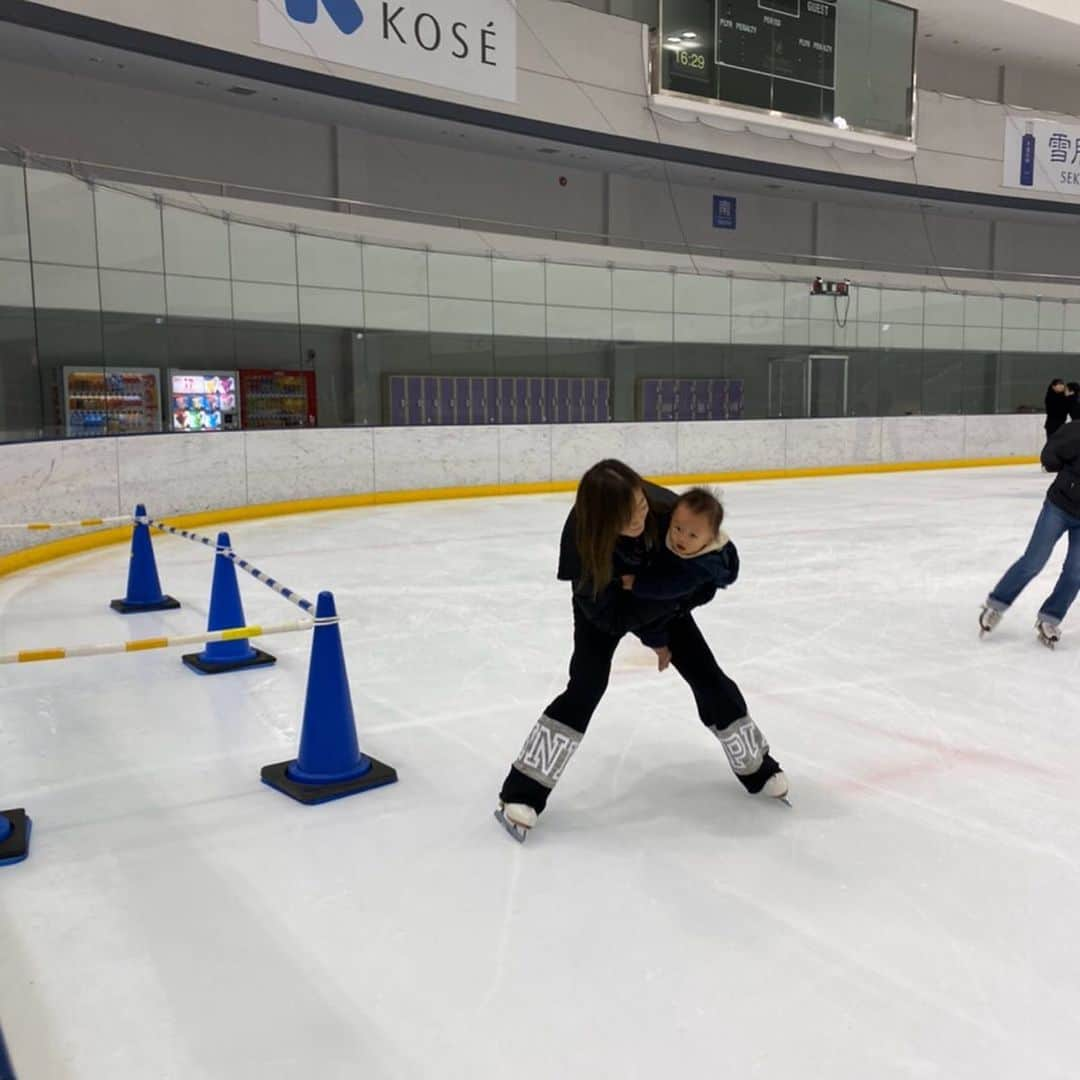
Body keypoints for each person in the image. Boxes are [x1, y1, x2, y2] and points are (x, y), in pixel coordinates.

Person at [495, 460, 788, 842]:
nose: (641, 516)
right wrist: (655, 628)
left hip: (665, 597)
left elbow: (720, 564)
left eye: (641, 504)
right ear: (603, 518)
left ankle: (757, 765)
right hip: (604, 612)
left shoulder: (665, 508)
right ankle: (522, 793)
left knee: (707, 675)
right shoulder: (582, 547)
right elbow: (612, 619)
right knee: (585, 688)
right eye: (628, 514)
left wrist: (663, 606)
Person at [979, 420, 1080, 649]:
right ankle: (996, 604)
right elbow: (1050, 455)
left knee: (1076, 573)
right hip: (1059, 507)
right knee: (1034, 561)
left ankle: (1050, 618)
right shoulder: (1076, 430)